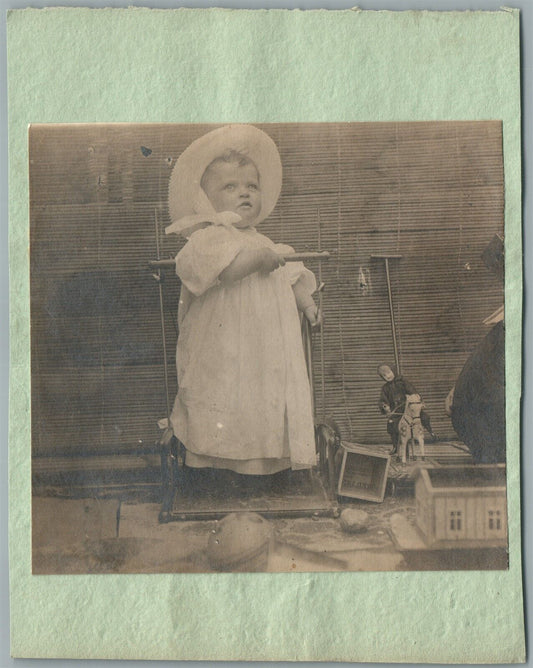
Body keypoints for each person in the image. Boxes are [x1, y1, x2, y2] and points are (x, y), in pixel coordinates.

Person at [165, 125, 320, 476]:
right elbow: (227, 270)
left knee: (264, 394)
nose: (244, 194)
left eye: (252, 186)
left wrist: (307, 304)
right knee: (222, 391)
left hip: (265, 346)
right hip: (224, 344)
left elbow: (289, 273)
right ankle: (215, 462)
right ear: (205, 198)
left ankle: (262, 463)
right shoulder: (207, 240)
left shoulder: (265, 241)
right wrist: (259, 260)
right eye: (230, 187)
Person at [378, 364, 436, 450]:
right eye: (384, 375)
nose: (388, 376)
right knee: (391, 425)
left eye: (389, 372)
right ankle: (395, 446)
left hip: (409, 409)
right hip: (397, 411)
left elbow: (412, 391)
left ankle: (431, 432)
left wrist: (418, 400)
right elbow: (383, 399)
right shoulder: (385, 388)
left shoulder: (403, 381)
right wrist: (385, 406)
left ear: (393, 370)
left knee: (424, 417)